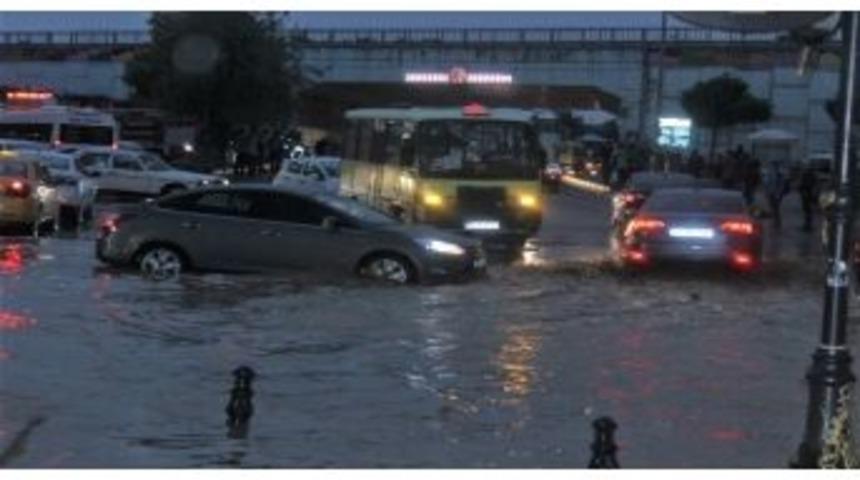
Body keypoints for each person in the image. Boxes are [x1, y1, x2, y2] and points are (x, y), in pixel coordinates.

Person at [763, 161, 790, 229]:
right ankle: (776, 222)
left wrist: (778, 193)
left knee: (775, 208)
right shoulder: (772, 174)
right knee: (774, 208)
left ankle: (777, 222)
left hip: (775, 194)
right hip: (772, 193)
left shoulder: (778, 174)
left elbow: (781, 185)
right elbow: (766, 184)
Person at [798, 165, 819, 232]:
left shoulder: (808, 176)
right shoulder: (810, 176)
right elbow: (801, 186)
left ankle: (808, 224)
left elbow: (801, 186)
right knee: (807, 210)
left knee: (808, 210)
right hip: (807, 195)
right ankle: (807, 224)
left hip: (808, 195)